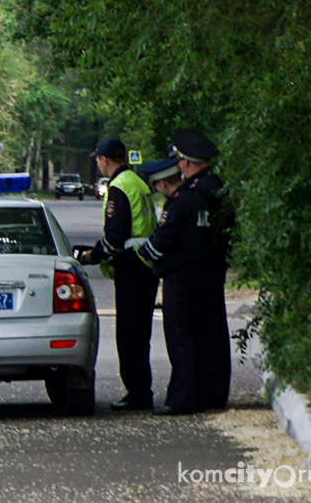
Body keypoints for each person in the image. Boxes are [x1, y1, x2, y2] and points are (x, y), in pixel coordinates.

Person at [134, 129, 232, 415]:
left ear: (186, 163)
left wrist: (145, 256)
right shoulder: (219, 190)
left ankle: (183, 397)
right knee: (212, 333)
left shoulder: (186, 197)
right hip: (212, 273)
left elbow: (164, 240)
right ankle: (213, 393)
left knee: (181, 337)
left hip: (182, 277)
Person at [70, 137, 158, 410]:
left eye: (98, 158)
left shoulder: (117, 187)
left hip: (131, 266)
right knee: (140, 332)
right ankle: (142, 390)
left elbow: (116, 236)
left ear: (105, 160)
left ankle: (138, 393)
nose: (97, 163)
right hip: (147, 264)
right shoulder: (137, 182)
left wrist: (90, 256)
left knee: (129, 334)